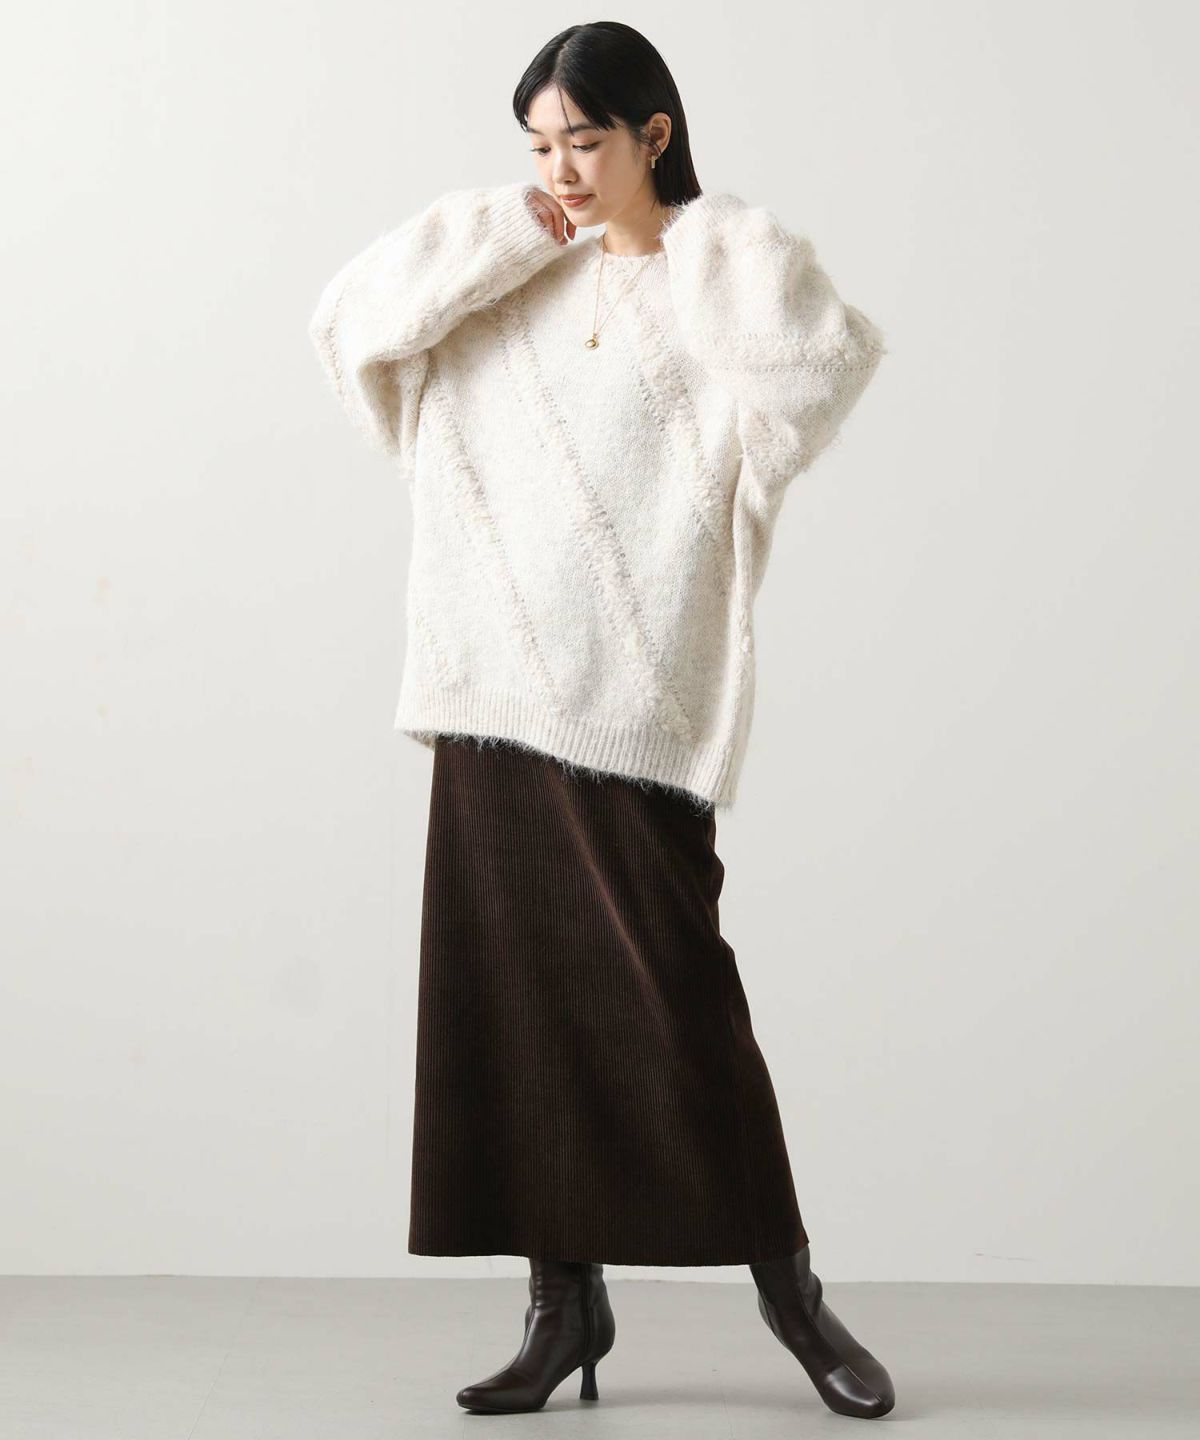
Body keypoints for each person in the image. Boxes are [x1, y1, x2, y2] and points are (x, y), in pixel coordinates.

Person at [308, 18, 894, 1422]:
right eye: (540, 144)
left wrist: (705, 236)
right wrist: (501, 229)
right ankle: (560, 1307)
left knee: (682, 1012)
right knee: (514, 1019)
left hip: (638, 711)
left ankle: (792, 1298)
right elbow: (349, 329)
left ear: (654, 133)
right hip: (486, 697)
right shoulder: (509, 271)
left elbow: (818, 372)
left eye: (585, 139)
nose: (561, 169)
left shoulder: (717, 283)